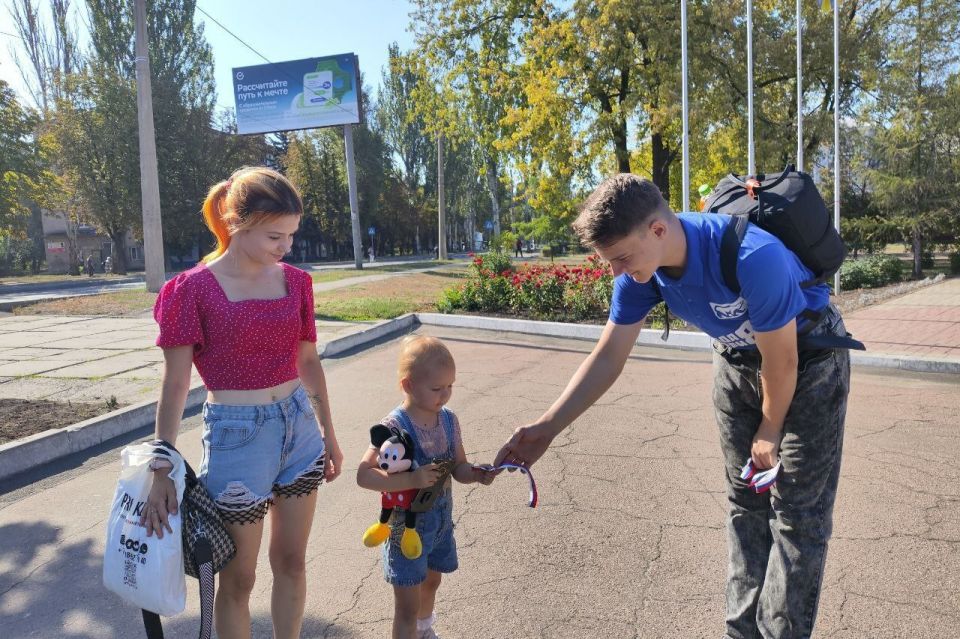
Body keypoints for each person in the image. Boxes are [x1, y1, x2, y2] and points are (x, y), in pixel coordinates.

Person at [494, 174, 852, 639]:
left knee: (797, 516)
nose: (616, 273)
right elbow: (608, 357)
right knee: (746, 505)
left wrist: (769, 427)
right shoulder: (643, 271)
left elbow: (782, 361)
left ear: (658, 230)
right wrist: (547, 427)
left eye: (621, 258)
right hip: (738, 366)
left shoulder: (753, 256)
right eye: (609, 262)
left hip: (807, 367)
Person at [143, 166, 344, 639]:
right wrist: (161, 466)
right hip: (237, 437)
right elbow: (175, 384)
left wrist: (329, 433)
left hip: (299, 429)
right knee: (238, 578)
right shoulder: (189, 290)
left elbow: (309, 362)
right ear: (238, 222)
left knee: (292, 561)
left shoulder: (297, 282)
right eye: (276, 235)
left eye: (291, 235)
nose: (286, 247)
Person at [357, 335, 496, 639]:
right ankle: (411, 628)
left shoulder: (448, 421)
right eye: (436, 388)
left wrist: (475, 473)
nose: (445, 395)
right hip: (405, 529)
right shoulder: (394, 427)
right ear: (408, 385)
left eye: (450, 386)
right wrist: (410, 479)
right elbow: (364, 474)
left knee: (432, 583)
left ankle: (423, 629)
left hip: (440, 524)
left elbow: (457, 467)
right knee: (406, 604)